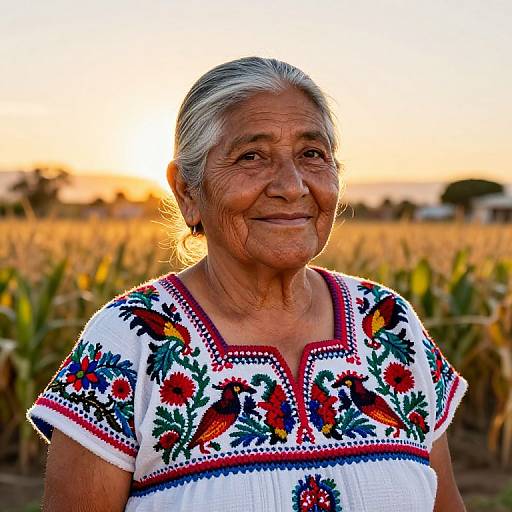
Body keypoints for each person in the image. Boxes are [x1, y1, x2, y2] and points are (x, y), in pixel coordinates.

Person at [27, 57, 468, 511]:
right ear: (187, 191)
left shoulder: (388, 324)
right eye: (252, 157)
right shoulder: (132, 337)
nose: (292, 186)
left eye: (311, 154)